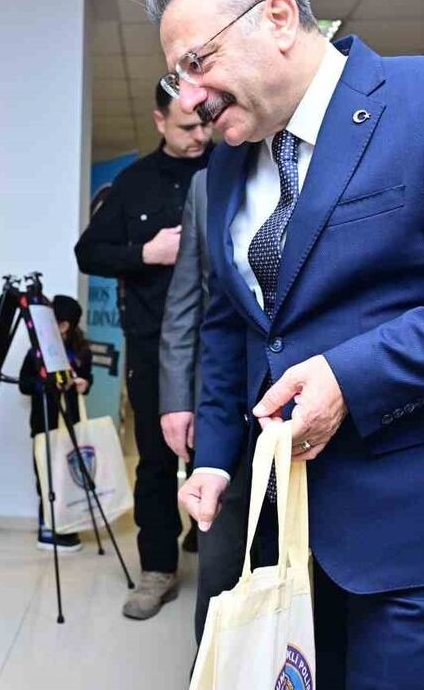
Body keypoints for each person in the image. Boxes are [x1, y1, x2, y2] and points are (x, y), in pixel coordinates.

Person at [149, 0, 424, 687]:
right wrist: (217, 456)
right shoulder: (224, 166)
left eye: (197, 63)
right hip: (285, 524)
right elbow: (233, 323)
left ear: (278, 18)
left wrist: (351, 376)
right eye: (175, 75)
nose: (188, 97)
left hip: (420, 521)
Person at [73, 82, 213, 620]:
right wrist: (145, 252)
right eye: (185, 126)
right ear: (159, 121)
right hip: (153, 343)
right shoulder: (134, 183)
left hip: (219, 341)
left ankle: (218, 558)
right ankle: (157, 569)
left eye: (204, 122)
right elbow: (88, 252)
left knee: (221, 454)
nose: (200, 135)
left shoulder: (228, 166)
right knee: (156, 460)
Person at [157, 167, 248, 643]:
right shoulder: (206, 184)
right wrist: (175, 397)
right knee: (221, 558)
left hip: (314, 398)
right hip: (222, 402)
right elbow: (186, 297)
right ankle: (212, 669)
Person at [18, 295, 93, 552]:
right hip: (44, 425)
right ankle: (47, 527)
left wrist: (82, 383)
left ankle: (66, 524)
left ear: (63, 326)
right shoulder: (36, 353)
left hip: (70, 426)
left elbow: (88, 380)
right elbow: (24, 384)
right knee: (45, 476)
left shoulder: (82, 353)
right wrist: (46, 385)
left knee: (67, 476)